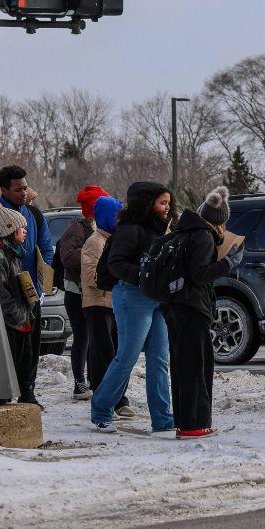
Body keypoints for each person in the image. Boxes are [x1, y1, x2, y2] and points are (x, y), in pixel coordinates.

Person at [88, 181, 175, 434]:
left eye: (169, 203)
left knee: (159, 360)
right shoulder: (129, 229)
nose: (167, 208)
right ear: (147, 204)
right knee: (126, 357)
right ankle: (102, 411)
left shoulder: (163, 229)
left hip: (157, 299)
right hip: (132, 296)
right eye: (162, 203)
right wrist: (144, 275)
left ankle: (163, 418)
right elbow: (116, 264)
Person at [164, 187, 245, 438]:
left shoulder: (184, 232)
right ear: (220, 220)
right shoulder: (203, 236)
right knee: (196, 367)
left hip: (176, 306)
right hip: (192, 308)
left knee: (182, 366)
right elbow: (200, 275)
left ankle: (185, 421)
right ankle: (195, 424)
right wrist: (228, 263)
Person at [0, 165, 54, 406]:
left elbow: (46, 249)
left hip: (30, 291)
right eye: (17, 189)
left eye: (25, 188)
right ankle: (2, 389)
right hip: (7, 292)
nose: (23, 192)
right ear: (4, 189)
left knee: (31, 346)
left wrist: (40, 287)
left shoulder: (34, 214)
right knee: (9, 345)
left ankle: (27, 391)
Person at [57, 184, 109, 400]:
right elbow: (67, 257)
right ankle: (80, 384)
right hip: (76, 292)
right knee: (82, 337)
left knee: (94, 337)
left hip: (91, 290)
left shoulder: (98, 227)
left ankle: (91, 380)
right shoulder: (77, 228)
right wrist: (93, 258)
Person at [81, 195, 131, 417]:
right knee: (105, 354)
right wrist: (117, 277)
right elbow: (92, 276)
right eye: (115, 215)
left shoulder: (113, 240)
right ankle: (112, 399)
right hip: (98, 304)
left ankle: (115, 397)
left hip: (112, 303)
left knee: (117, 352)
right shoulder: (95, 242)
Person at [0, 205, 37, 405]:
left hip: (21, 318)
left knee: (25, 359)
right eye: (22, 228)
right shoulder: (1, 257)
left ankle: (25, 393)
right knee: (13, 358)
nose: (25, 231)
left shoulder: (14, 254)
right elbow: (1, 293)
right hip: (12, 320)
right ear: (10, 230)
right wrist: (19, 314)